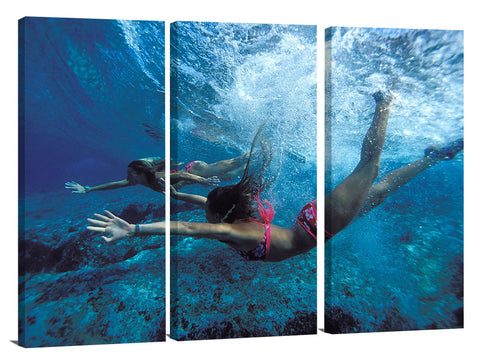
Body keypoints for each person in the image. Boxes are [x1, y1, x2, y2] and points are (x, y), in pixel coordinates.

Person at [324, 91, 463, 241]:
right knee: (379, 192)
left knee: (369, 170)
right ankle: (434, 158)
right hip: (318, 227)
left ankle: (383, 100)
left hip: (315, 227)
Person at [65, 153, 250, 194]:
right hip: (191, 175)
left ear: (138, 174)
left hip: (194, 169)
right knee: (230, 176)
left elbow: (184, 176)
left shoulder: (155, 177)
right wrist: (88, 189)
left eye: (130, 173)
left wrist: (201, 180)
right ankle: (251, 163)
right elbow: (114, 184)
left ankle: (248, 155)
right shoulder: (137, 179)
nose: (127, 176)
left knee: (218, 168)